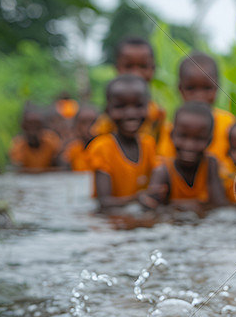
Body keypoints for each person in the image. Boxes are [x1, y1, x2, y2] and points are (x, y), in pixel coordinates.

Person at [86, 75, 158, 211]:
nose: (131, 113)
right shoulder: (101, 147)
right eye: (120, 106)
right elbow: (104, 203)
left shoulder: (149, 144)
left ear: (149, 108)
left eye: (138, 105)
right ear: (107, 110)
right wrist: (136, 198)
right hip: (109, 224)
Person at [158, 52, 236, 172]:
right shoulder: (171, 127)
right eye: (191, 88)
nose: (199, 96)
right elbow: (165, 164)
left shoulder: (228, 124)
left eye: (207, 88)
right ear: (180, 89)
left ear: (217, 88)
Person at [143, 102, 227, 212]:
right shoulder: (163, 170)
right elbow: (151, 206)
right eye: (183, 136)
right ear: (171, 135)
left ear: (210, 140)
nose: (189, 145)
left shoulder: (210, 164)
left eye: (198, 138)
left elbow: (220, 205)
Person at [93, 37, 168, 144]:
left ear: (153, 69)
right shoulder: (108, 117)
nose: (135, 73)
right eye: (128, 66)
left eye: (143, 66)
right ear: (116, 68)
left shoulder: (157, 115)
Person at [9, 106, 62, 171]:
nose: (33, 130)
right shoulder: (18, 144)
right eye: (29, 126)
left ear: (41, 126)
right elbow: (17, 165)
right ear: (24, 127)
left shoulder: (51, 140)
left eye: (36, 126)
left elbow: (59, 161)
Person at [59, 104, 99, 171]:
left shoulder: (103, 148)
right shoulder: (72, 150)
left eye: (93, 122)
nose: (88, 127)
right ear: (76, 126)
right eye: (83, 123)